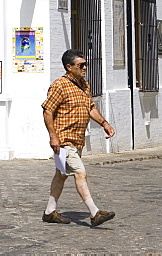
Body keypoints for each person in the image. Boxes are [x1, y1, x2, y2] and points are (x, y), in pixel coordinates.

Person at [41, 49, 116, 227]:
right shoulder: (59, 85)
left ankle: (49, 212)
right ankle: (94, 213)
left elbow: (90, 107)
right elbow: (48, 111)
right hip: (63, 142)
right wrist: (53, 136)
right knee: (80, 173)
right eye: (81, 65)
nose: (85, 68)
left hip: (77, 140)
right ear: (69, 67)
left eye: (85, 64)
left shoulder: (84, 84)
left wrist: (104, 123)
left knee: (61, 175)